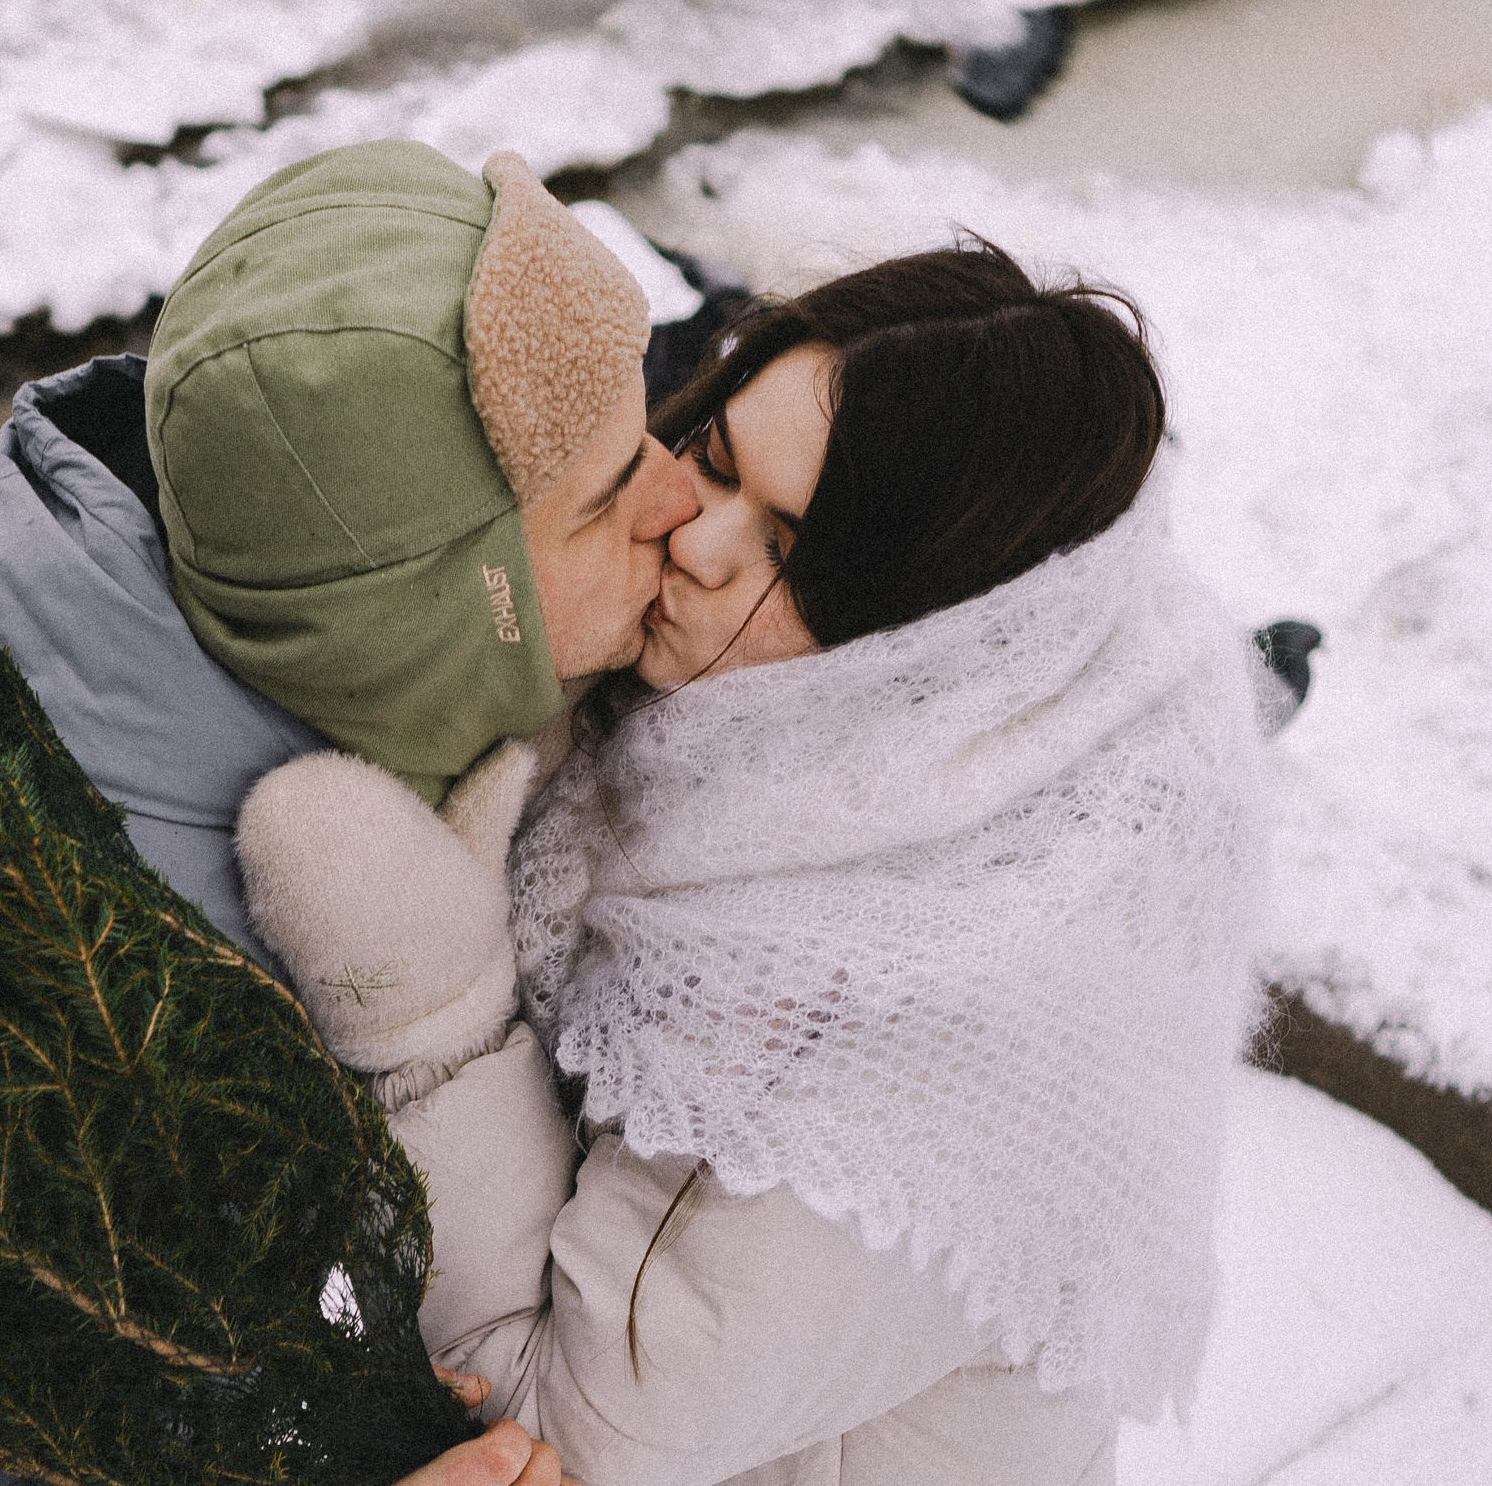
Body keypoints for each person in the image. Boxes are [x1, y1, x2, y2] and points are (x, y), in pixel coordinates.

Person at [0, 139, 685, 1486]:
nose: (685, 499)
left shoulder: (178, 601)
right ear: (426, 616)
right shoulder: (75, 979)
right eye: (608, 493)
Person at [234, 242, 1271, 1485]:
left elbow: (559, 1434)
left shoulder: (852, 1029)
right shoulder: (1009, 695)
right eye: (715, 460)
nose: (697, 541)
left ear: (931, 629)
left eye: (791, 549)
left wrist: (426, 1015)